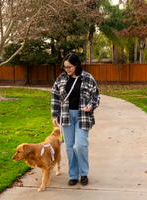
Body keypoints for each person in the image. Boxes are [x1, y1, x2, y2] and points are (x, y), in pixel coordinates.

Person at [51, 53, 100, 186]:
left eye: (69, 67)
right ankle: (73, 175)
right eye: (65, 67)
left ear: (76, 64)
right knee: (69, 148)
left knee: (80, 146)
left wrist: (90, 105)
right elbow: (55, 96)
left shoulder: (87, 78)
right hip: (66, 117)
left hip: (82, 117)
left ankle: (83, 173)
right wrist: (55, 114)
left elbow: (95, 96)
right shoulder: (61, 79)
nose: (67, 70)